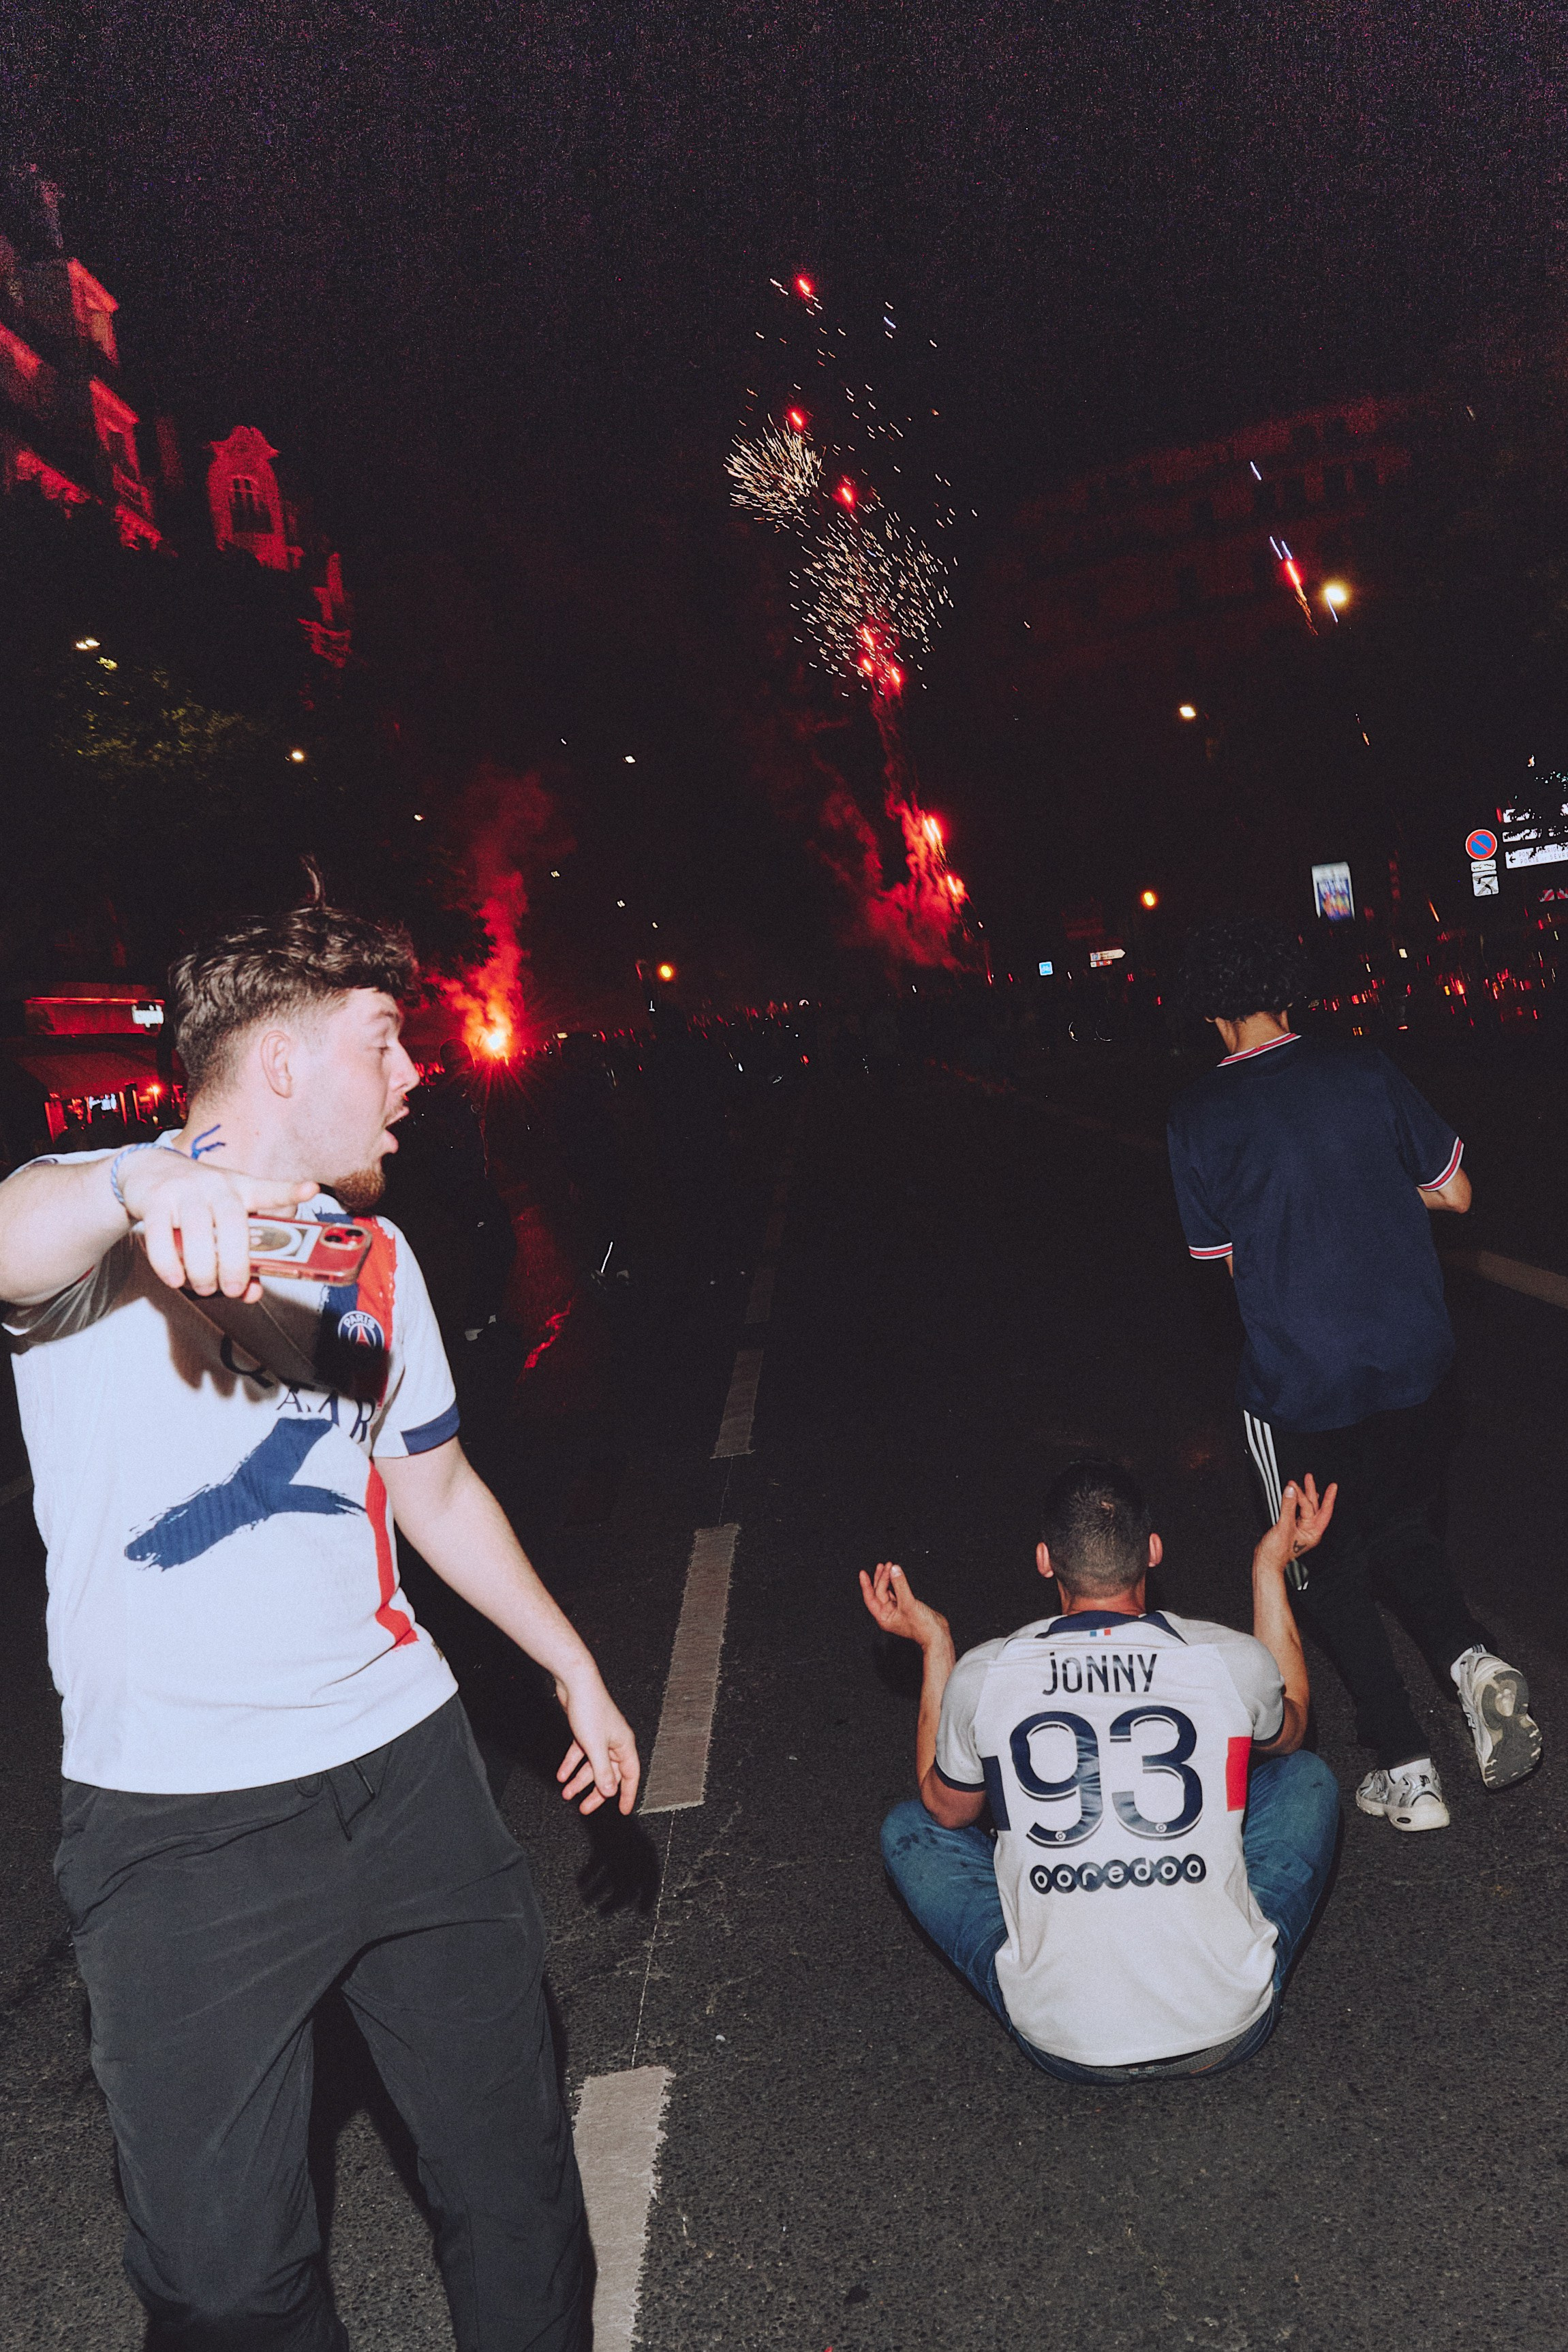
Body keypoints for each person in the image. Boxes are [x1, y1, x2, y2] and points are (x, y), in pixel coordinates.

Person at [0, 901, 640, 2351]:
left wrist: (570, 1664)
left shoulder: (374, 1256)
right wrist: (140, 1183)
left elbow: (433, 1486)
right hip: (181, 1828)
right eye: (383, 1042)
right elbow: (14, 1236)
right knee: (222, 2285)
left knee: (517, 2186)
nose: (414, 1075)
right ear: (281, 1060)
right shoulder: (99, 1226)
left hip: (408, 1772)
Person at [1167, 916, 1541, 1833]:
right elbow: (1455, 1191)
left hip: (1304, 1378)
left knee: (1320, 1561)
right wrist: (1371, 1190)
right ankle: (1470, 1661)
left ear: (1211, 1011)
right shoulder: (1365, 1068)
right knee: (1401, 1524)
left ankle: (1405, 1765)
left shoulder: (1198, 1116)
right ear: (1287, 990)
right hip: (1416, 1364)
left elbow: (1227, 1262)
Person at [863, 1460, 1341, 2082]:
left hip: (1065, 2047)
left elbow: (946, 1809)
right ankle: (1226, 1952)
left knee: (910, 1827)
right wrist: (1267, 1566)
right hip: (1227, 2029)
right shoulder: (1226, 1657)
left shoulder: (985, 1673)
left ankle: (1051, 1973)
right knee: (1303, 1776)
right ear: (1153, 1551)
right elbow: (1293, 1728)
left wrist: (936, 1644)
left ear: (1044, 1560)